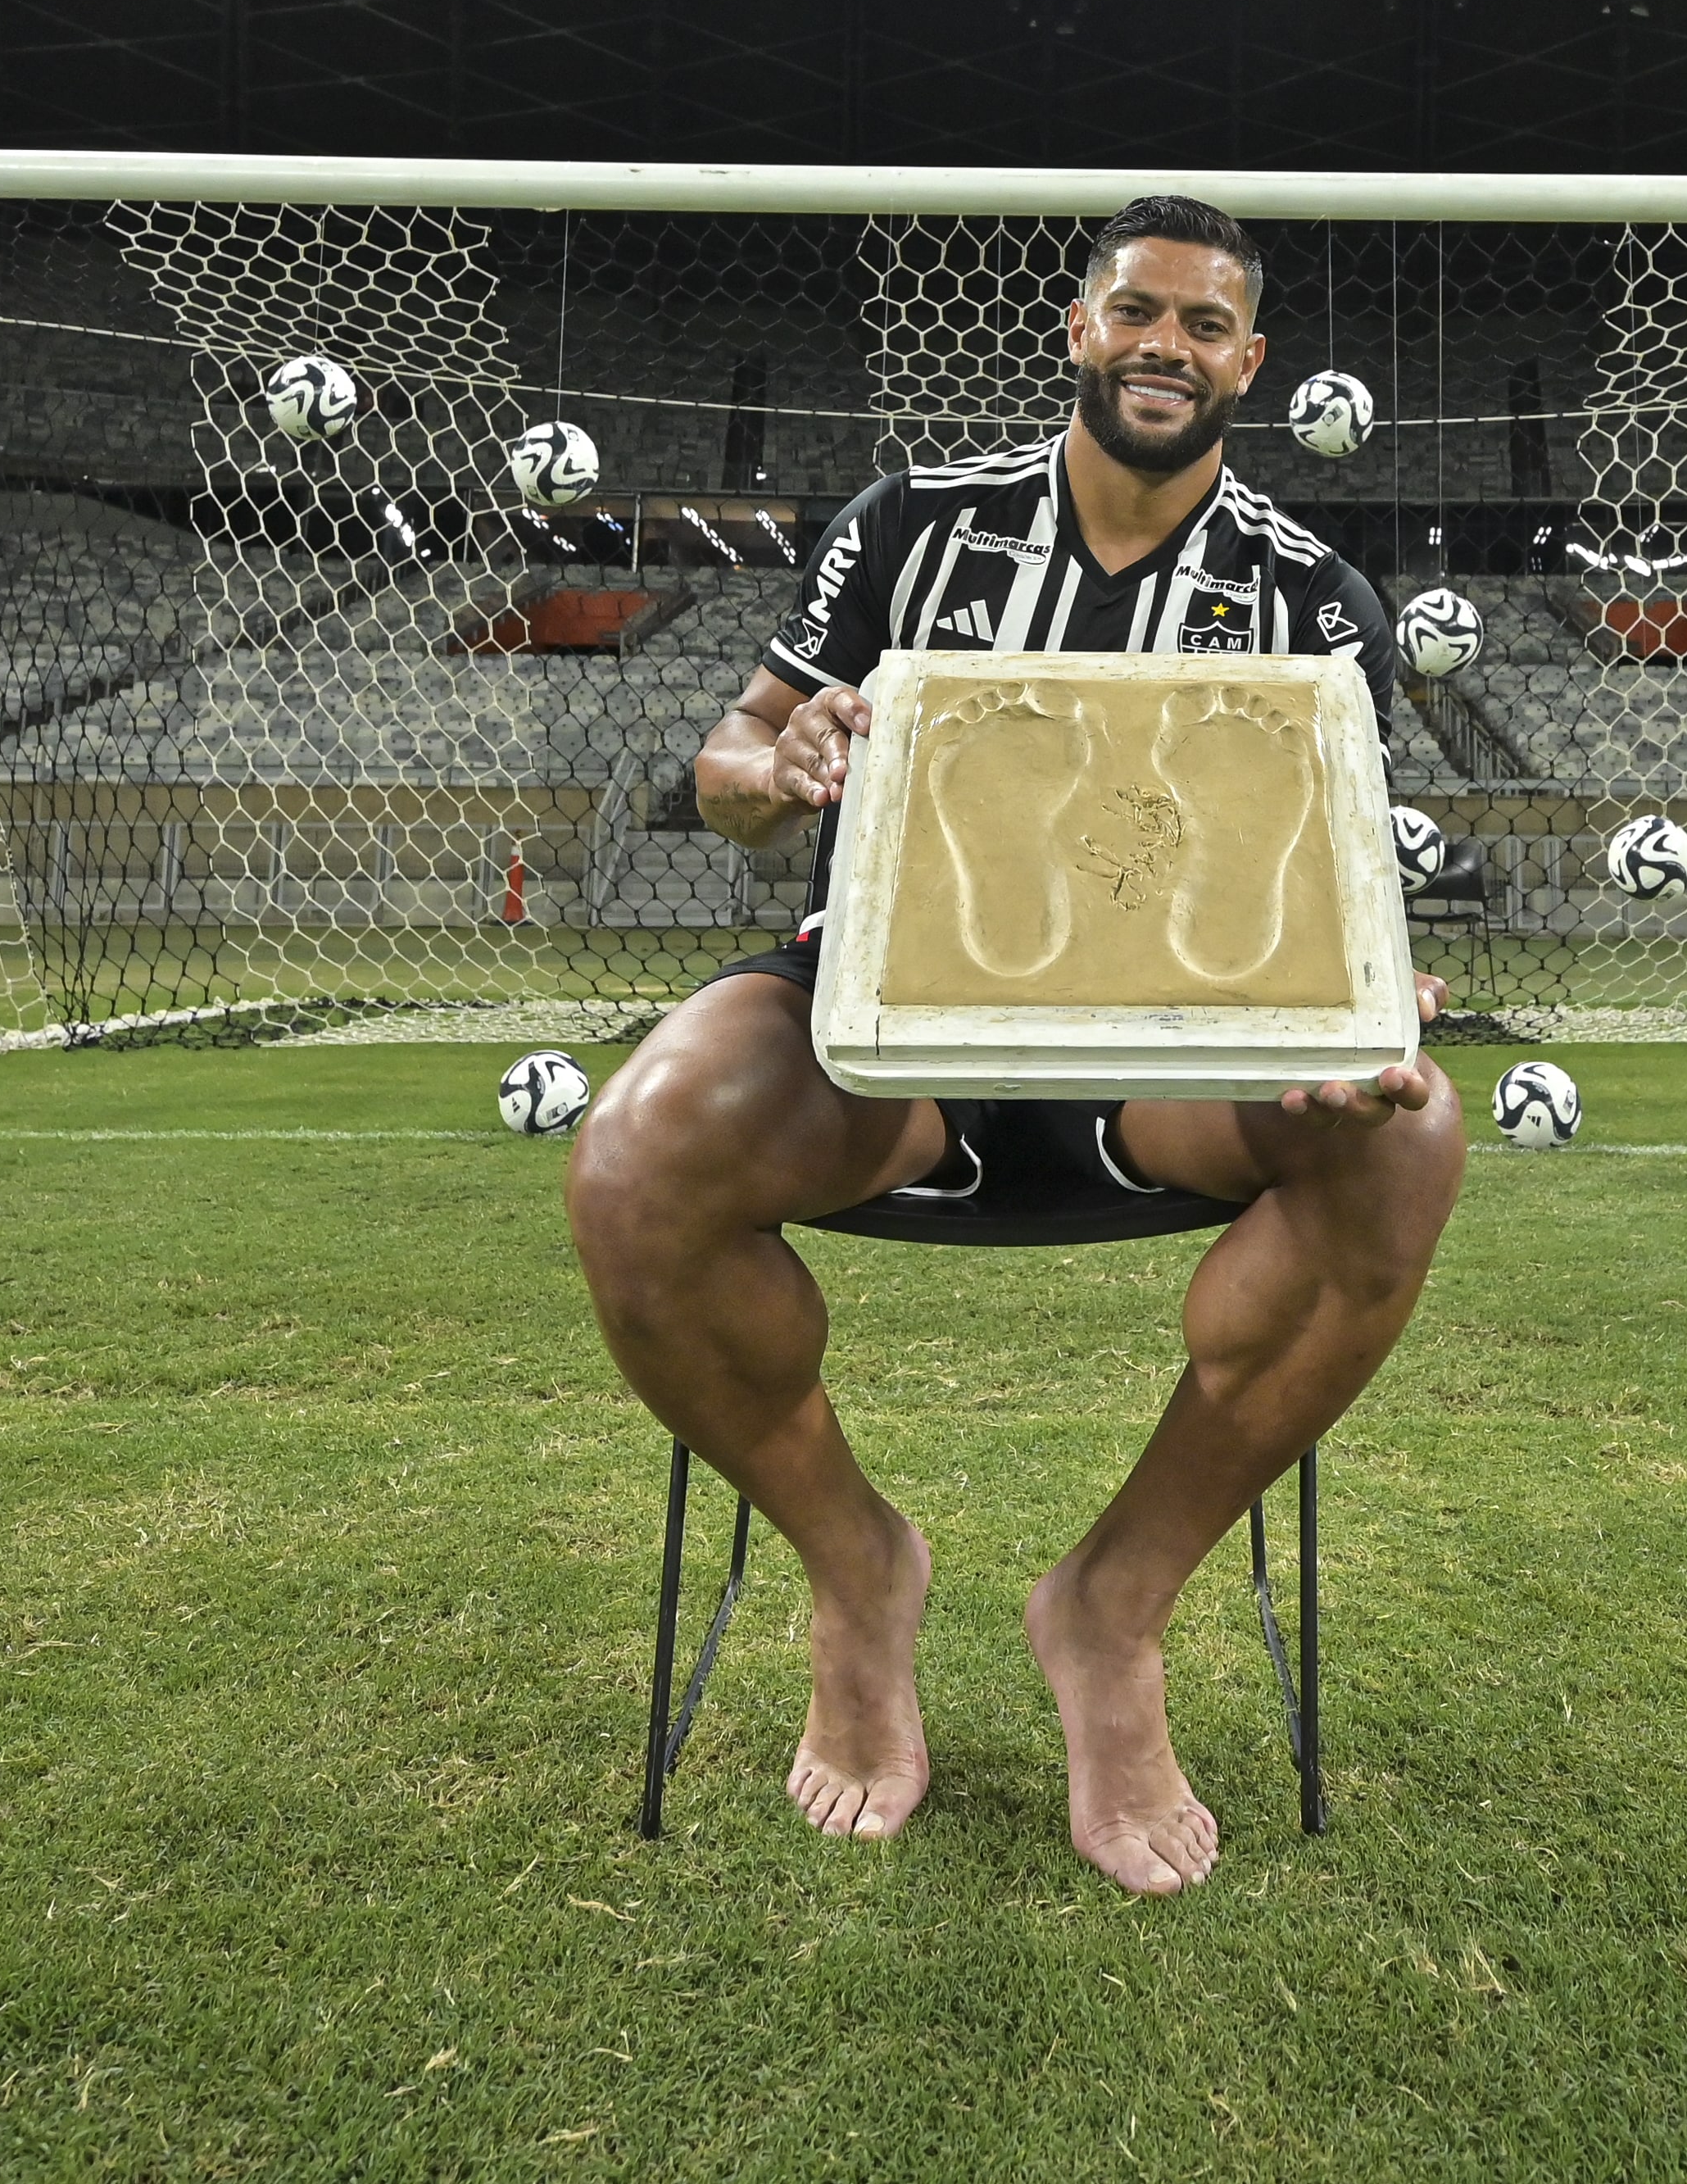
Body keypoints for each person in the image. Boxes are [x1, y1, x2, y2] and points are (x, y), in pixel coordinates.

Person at [563, 196, 1463, 1896]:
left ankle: (1112, 1606)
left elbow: (1353, 884)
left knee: (1407, 1134)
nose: (1166, 345)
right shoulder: (913, 521)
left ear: (1248, 363)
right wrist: (782, 763)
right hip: (888, 1047)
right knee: (633, 1152)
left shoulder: (1311, 593)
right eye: (1138, 310)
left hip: (1170, 1077)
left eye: (1205, 325)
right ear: (1077, 326)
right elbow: (730, 766)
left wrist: (1375, 1003)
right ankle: (857, 1569)